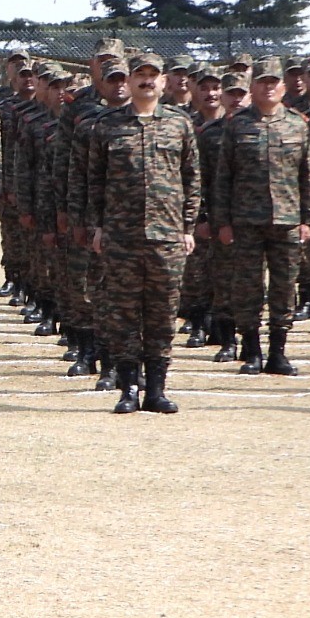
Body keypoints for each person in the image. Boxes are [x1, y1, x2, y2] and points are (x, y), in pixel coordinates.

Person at [84, 50, 200, 414]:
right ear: (129, 81)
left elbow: (192, 179)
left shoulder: (179, 125)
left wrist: (188, 227)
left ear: (164, 81)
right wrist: (98, 227)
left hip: (166, 237)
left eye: (154, 74)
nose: (147, 80)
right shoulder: (107, 125)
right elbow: (94, 181)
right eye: (140, 75)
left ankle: (157, 389)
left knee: (163, 314)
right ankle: (128, 387)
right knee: (123, 314)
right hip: (121, 236)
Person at [216, 57, 310, 375]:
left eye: (274, 82)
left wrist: (307, 219)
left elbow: (307, 175)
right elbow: (223, 178)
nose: (268, 87)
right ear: (252, 87)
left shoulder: (297, 124)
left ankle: (278, 352)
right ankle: (252, 350)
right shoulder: (236, 124)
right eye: (262, 82)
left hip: (287, 219)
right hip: (246, 220)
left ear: (282, 87)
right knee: (247, 287)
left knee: (285, 287)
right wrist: (223, 221)